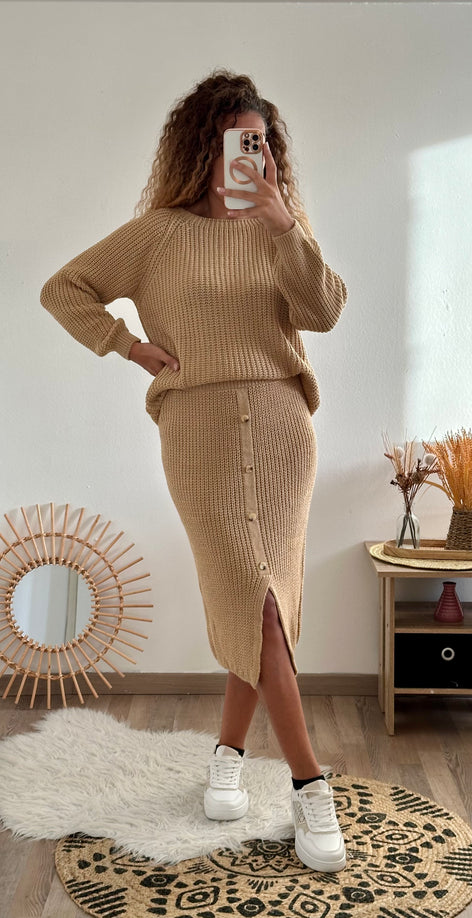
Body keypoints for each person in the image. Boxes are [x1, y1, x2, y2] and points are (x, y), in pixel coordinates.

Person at [40, 70, 348, 873]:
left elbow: (323, 311)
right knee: (253, 601)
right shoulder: (159, 234)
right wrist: (129, 346)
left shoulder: (281, 229)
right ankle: (310, 787)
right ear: (200, 146)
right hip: (198, 432)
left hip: (282, 430)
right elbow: (63, 288)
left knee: (269, 604)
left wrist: (283, 224)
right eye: (233, 140)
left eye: (260, 141)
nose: (248, 155)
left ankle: (227, 759)